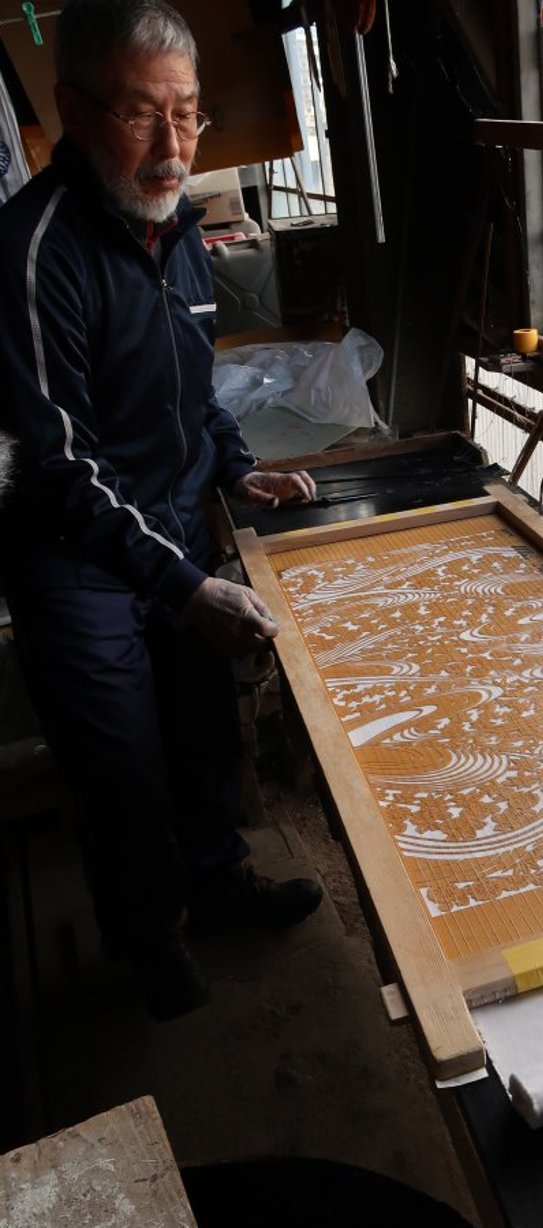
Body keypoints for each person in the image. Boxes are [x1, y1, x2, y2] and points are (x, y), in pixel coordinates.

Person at [0, 0, 324, 1020]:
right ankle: (147, 942)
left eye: (189, 117)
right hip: (77, 562)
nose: (174, 146)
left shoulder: (177, 231)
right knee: (121, 768)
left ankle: (219, 886)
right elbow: (57, 465)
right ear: (73, 109)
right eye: (145, 115)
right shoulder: (29, 256)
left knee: (200, 734)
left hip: (172, 532)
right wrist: (185, 583)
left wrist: (234, 469)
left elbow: (194, 390)